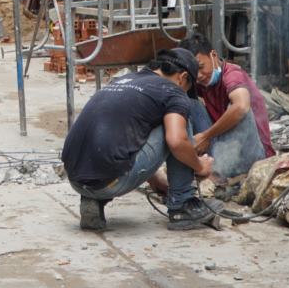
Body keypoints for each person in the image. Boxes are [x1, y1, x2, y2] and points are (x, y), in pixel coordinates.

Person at [61, 48, 221, 232]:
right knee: (179, 124)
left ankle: (93, 198)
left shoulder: (123, 81)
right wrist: (199, 166)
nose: (185, 93)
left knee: (154, 123)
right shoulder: (173, 92)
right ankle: (182, 204)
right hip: (110, 181)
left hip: (76, 180)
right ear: (183, 77)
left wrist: (152, 178)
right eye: (187, 88)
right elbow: (177, 141)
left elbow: (122, 138)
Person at [179, 33, 274, 179]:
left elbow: (241, 107)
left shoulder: (232, 74)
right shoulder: (201, 82)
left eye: (201, 67)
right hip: (223, 151)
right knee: (187, 103)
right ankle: (198, 164)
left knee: (239, 107)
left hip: (252, 153)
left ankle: (219, 172)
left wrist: (206, 136)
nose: (198, 76)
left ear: (214, 55)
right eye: (193, 71)